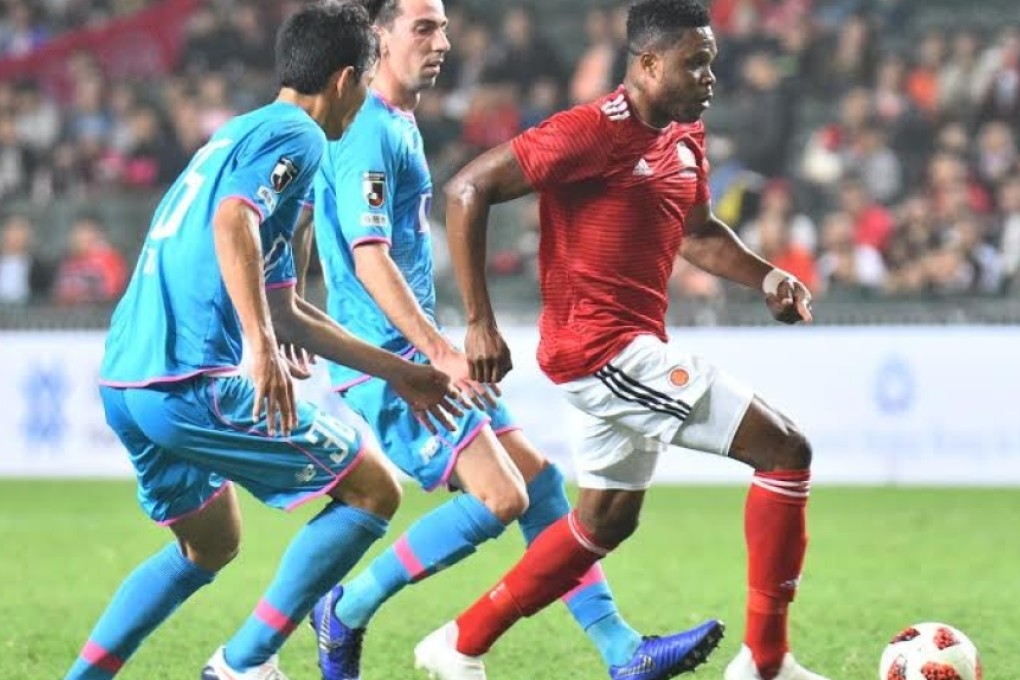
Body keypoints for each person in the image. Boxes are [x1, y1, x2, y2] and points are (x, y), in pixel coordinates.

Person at [297, 2, 723, 679]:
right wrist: (438, 351)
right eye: (423, 28)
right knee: (501, 499)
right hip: (389, 362)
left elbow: (312, 211)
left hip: (414, 347)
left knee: (541, 484)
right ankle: (345, 608)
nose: (441, 41)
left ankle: (621, 650)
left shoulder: (392, 124)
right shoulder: (370, 133)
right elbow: (369, 255)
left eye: (443, 26)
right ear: (380, 38)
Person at [414, 1, 829, 680]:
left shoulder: (685, 135)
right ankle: (767, 662)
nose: (709, 76)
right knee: (786, 450)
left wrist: (766, 277)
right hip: (601, 350)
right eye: (695, 62)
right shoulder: (587, 131)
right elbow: (467, 189)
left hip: (625, 348)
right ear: (647, 63)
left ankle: (460, 643)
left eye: (712, 62)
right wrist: (479, 320)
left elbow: (696, 235)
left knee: (605, 522)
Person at [64, 4, 463, 679]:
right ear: (344, 80)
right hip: (189, 378)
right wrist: (254, 346)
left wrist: (396, 370)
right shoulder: (300, 134)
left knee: (210, 545)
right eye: (363, 84)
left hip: (127, 382)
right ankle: (242, 665)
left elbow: (288, 311)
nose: (362, 101)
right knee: (374, 490)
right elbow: (231, 222)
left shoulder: (237, 134)